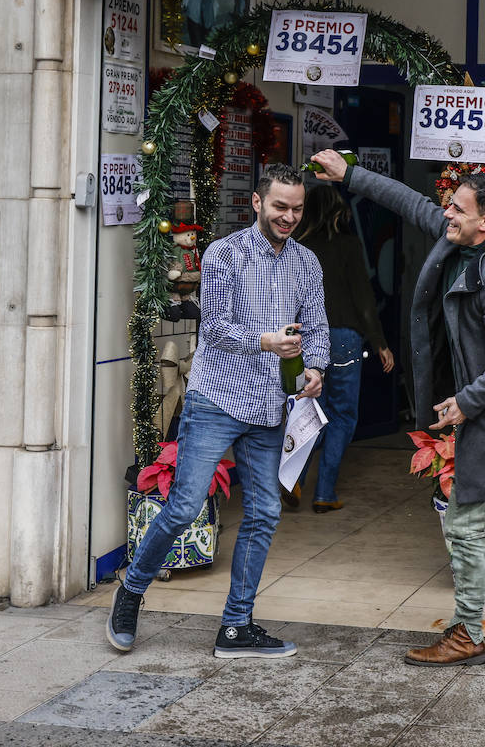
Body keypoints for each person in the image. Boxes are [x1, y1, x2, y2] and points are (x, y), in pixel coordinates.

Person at [309, 149, 485, 667]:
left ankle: (466, 634)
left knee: (463, 519)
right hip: (479, 402)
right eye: (450, 206)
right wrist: (351, 175)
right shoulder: (463, 235)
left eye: (457, 209)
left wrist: (466, 402)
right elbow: (412, 204)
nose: (446, 214)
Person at [107, 165, 329, 659]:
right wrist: (266, 342)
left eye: (296, 209)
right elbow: (216, 332)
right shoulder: (225, 254)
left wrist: (314, 367)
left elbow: (316, 326)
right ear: (256, 202)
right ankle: (132, 591)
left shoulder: (308, 263)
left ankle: (236, 627)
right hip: (217, 399)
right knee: (184, 506)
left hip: (272, 405)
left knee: (265, 513)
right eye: (280, 207)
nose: (289, 217)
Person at [286, 185, 396, 513]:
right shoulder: (347, 245)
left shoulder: (297, 246)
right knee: (342, 415)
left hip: (305, 338)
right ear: (337, 211)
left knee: (308, 413)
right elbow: (363, 299)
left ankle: (293, 480)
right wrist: (380, 343)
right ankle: (325, 492)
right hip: (345, 338)